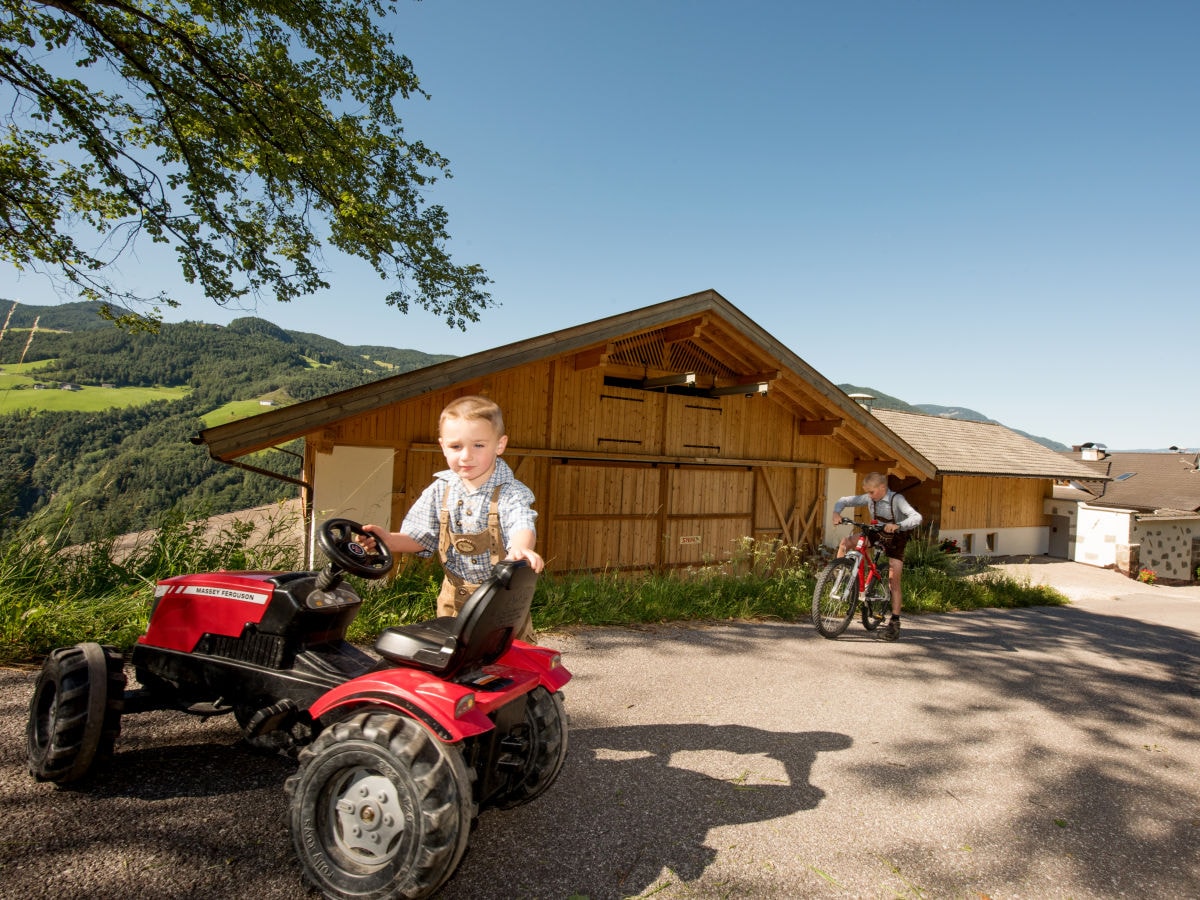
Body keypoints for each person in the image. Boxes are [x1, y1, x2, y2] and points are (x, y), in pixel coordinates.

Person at [361, 395, 543, 640]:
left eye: (478, 445)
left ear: (499, 445)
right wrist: (389, 540)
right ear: (443, 446)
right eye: (456, 446)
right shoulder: (440, 490)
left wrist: (520, 549)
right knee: (449, 660)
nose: (466, 456)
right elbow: (421, 536)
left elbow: (520, 520)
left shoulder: (510, 492)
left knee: (507, 663)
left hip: (500, 601)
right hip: (452, 598)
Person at [831, 472, 922, 642]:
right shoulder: (868, 498)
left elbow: (917, 517)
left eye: (872, 492)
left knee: (893, 581)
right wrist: (837, 513)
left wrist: (898, 525)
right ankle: (840, 579)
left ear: (882, 488)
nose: (869, 496)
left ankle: (894, 623)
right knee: (845, 543)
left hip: (896, 538)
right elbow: (843, 500)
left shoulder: (897, 499)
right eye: (867, 493)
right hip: (876, 532)